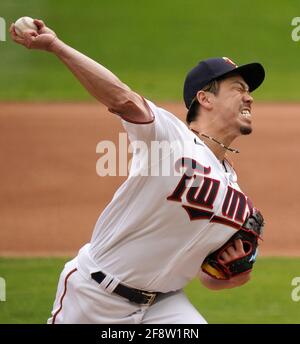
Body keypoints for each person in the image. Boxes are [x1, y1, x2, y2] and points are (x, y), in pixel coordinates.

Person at [10, 19, 265, 324]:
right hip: (95, 296)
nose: (249, 97)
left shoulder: (236, 194)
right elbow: (122, 99)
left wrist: (235, 273)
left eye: (249, 91)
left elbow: (209, 278)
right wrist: (55, 46)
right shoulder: (171, 138)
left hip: (164, 306)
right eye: (238, 89)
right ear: (205, 98)